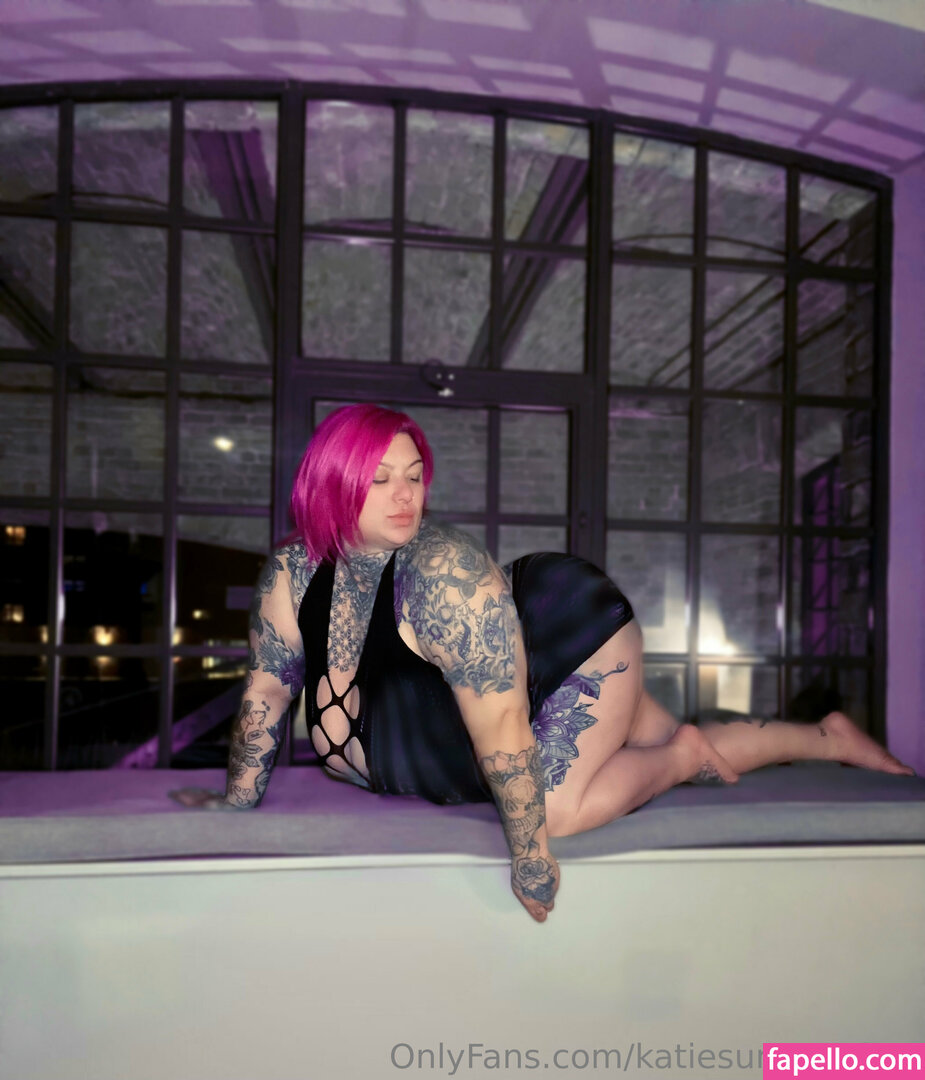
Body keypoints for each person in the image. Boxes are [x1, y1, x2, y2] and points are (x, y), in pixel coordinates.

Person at [171, 404, 914, 923]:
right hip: (507, 656)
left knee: (557, 808)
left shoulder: (442, 574)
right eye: (379, 479)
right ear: (332, 481)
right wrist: (237, 800)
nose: (404, 496)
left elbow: (500, 722)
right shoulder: (292, 574)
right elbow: (269, 688)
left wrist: (531, 860)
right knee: (662, 737)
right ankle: (826, 737)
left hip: (568, 635)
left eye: (414, 476)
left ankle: (684, 755)